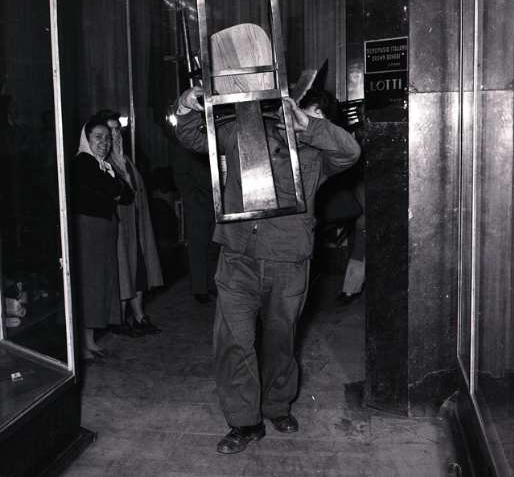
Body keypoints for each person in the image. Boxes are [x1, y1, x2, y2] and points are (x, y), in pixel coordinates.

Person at [174, 86, 361, 454]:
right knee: (233, 341)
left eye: (316, 117)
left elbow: (350, 151)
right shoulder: (244, 133)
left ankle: (277, 405)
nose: (301, 121)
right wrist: (185, 106)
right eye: (300, 111)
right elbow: (193, 136)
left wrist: (309, 126)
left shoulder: (318, 156)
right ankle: (244, 422)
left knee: (281, 340)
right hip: (237, 257)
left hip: (288, 261)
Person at [71, 115, 134, 362]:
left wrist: (113, 189)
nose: (104, 143)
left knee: (99, 283)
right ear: (86, 139)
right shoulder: (83, 162)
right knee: (90, 284)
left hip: (104, 229)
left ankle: (89, 341)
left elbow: (127, 195)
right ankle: (83, 344)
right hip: (89, 230)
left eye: (107, 138)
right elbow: (115, 190)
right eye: (98, 137)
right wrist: (114, 189)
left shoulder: (103, 166)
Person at [95, 109, 164, 336]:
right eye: (110, 130)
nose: (115, 135)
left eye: (118, 130)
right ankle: (121, 317)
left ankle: (139, 315)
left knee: (139, 268)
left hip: (136, 225)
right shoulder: (103, 164)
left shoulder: (125, 160)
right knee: (123, 269)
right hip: (118, 228)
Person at [171, 134, 219, 304]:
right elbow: (181, 176)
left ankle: (211, 284)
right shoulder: (186, 145)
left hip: (215, 204)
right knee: (198, 248)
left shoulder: (213, 141)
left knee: (214, 246)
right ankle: (200, 289)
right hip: (198, 205)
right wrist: (193, 200)